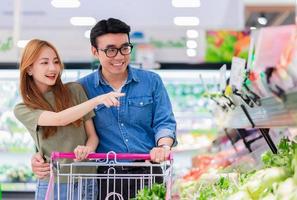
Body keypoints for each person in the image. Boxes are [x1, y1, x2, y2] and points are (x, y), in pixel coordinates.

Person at [31, 18, 177, 199]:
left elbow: (164, 121)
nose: (119, 56)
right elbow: (62, 127)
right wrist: (38, 154)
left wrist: (162, 146)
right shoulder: (81, 88)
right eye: (110, 50)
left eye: (125, 48)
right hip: (105, 177)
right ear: (95, 51)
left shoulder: (151, 81)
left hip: (148, 172)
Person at [14, 39, 124, 200]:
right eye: (44, 63)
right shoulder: (24, 109)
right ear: (29, 69)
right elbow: (59, 119)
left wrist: (88, 149)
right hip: (53, 182)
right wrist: (97, 100)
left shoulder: (75, 91)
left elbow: (92, 136)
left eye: (56, 62)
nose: (53, 68)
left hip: (86, 180)